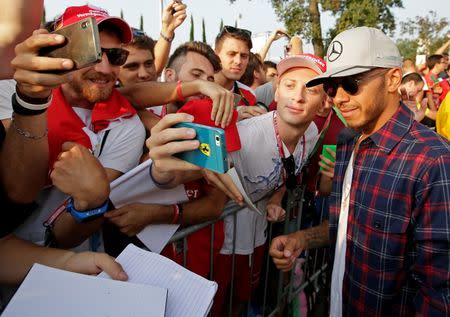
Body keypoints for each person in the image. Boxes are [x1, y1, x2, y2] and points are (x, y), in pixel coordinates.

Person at [270, 26, 450, 316]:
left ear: (392, 79)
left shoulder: (433, 161)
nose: (339, 98)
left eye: (351, 84)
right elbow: (343, 226)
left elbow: (439, 293)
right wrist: (301, 239)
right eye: (332, 87)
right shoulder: (348, 142)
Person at [147, 53, 327, 316]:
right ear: (276, 91)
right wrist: (158, 170)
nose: (298, 97)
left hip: (256, 236)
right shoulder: (246, 136)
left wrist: (276, 198)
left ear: (324, 102)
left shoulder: (311, 134)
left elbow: (286, 168)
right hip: (220, 244)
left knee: (243, 299)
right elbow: (181, 175)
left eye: (311, 90)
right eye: (290, 86)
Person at [214, 25, 266, 120]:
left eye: (244, 56)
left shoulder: (249, 94)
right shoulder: (196, 90)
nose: (238, 61)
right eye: (231, 54)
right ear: (216, 55)